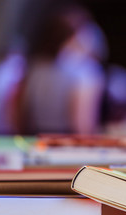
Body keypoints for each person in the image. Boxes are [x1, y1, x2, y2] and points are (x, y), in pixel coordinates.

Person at [17, 6, 107, 135]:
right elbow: (82, 124)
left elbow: (18, 114)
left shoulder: (34, 68)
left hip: (36, 140)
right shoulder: (85, 71)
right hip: (67, 144)